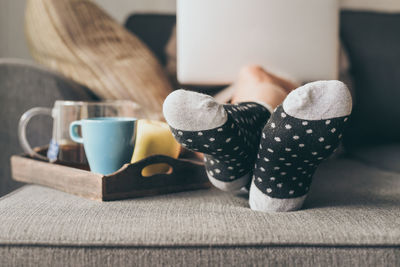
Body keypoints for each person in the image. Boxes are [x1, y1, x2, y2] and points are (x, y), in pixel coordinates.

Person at [163, 65, 352, 212]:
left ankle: (243, 134)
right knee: (255, 78)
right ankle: (276, 184)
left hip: (250, 95)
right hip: (231, 92)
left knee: (251, 74)